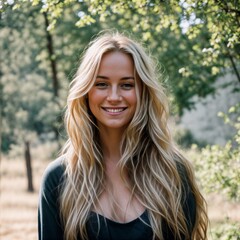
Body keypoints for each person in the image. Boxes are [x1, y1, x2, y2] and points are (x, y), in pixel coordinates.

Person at [38, 32, 208, 240]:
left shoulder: (173, 173)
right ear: (86, 92)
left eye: (127, 85)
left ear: (143, 91)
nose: (114, 97)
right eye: (101, 84)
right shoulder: (59, 178)